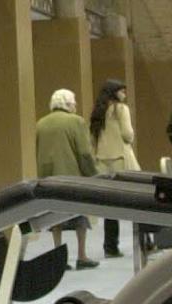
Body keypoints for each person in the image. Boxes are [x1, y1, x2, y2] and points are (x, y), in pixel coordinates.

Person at [35, 88, 99, 270]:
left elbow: (38, 150)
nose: (76, 105)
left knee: (55, 218)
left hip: (49, 177)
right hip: (71, 176)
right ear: (67, 103)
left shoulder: (41, 123)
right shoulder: (76, 121)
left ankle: (58, 257)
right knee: (80, 216)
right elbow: (84, 152)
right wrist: (93, 174)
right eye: (74, 102)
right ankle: (81, 255)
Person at [90, 80, 139, 258]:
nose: (124, 94)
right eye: (122, 91)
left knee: (110, 207)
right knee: (137, 201)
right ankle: (145, 242)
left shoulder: (98, 111)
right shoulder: (121, 109)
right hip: (121, 158)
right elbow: (128, 134)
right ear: (114, 93)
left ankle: (110, 246)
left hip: (103, 161)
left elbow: (93, 140)